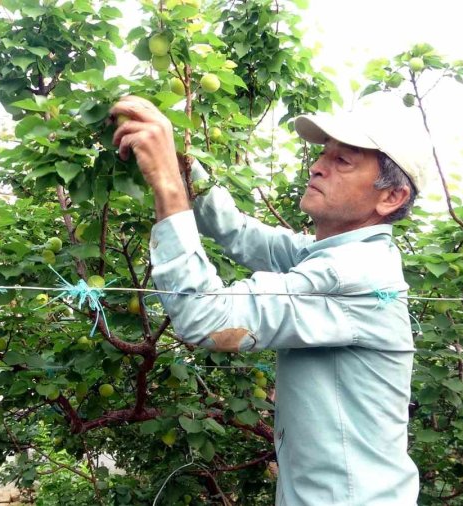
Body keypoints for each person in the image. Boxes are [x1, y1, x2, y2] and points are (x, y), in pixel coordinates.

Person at [110, 95, 427, 505]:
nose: (317, 166)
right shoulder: (342, 255)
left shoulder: (349, 273)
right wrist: (183, 163)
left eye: (343, 161)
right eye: (323, 154)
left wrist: (168, 184)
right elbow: (240, 233)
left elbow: (208, 319)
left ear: (391, 197)